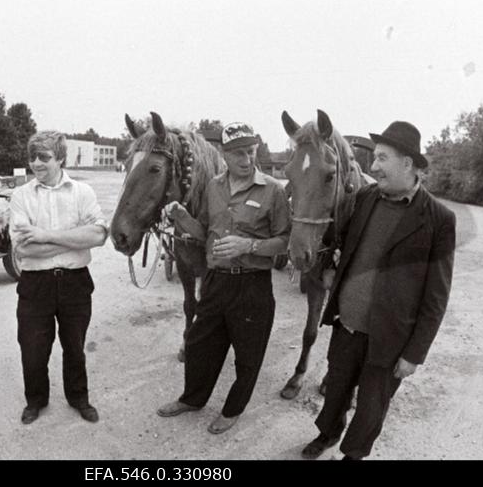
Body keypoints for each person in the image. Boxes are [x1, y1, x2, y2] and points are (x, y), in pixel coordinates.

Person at [300, 121, 456, 460]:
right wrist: (329, 268)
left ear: (408, 164)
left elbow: (436, 296)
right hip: (348, 326)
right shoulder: (364, 197)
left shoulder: (439, 219)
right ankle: (327, 434)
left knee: (371, 408)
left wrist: (415, 354)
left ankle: (353, 454)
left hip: (390, 340)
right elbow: (337, 239)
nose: (373, 167)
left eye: (382, 158)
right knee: (336, 390)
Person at [156, 122, 291, 434]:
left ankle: (232, 410)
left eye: (252, 152)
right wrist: (180, 217)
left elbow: (285, 241)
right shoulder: (214, 187)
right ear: (224, 154)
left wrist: (250, 245)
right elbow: (204, 232)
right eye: (239, 153)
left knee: (248, 354)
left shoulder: (273, 190)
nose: (247, 159)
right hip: (217, 281)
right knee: (201, 345)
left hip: (252, 284)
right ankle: (192, 399)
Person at [9, 131, 108, 425]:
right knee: (33, 350)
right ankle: (36, 401)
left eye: (45, 157)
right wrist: (75, 239)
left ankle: (79, 398)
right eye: (33, 157)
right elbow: (24, 247)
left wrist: (46, 235)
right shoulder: (21, 196)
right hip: (35, 285)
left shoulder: (82, 193)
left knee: (75, 347)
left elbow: (100, 235)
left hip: (75, 282)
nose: (36, 163)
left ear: (61, 158)